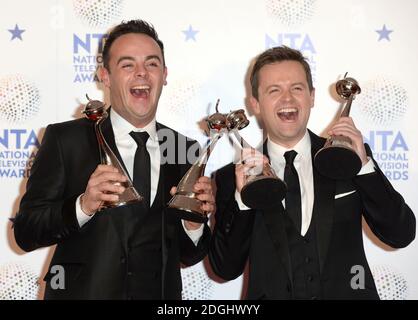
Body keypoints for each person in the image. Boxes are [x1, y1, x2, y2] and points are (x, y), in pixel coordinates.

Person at [13, 19, 214, 300]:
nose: (141, 73)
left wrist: (194, 224)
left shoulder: (185, 149)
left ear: (165, 74)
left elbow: (189, 253)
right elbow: (25, 232)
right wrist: (83, 206)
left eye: (152, 64)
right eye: (127, 65)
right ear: (105, 76)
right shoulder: (65, 140)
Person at [209, 46, 415, 300]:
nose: (287, 99)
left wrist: (363, 166)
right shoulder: (231, 177)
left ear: (312, 97)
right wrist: (243, 199)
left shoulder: (349, 156)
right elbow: (225, 268)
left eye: (297, 88)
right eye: (274, 90)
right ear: (255, 104)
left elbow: (401, 234)